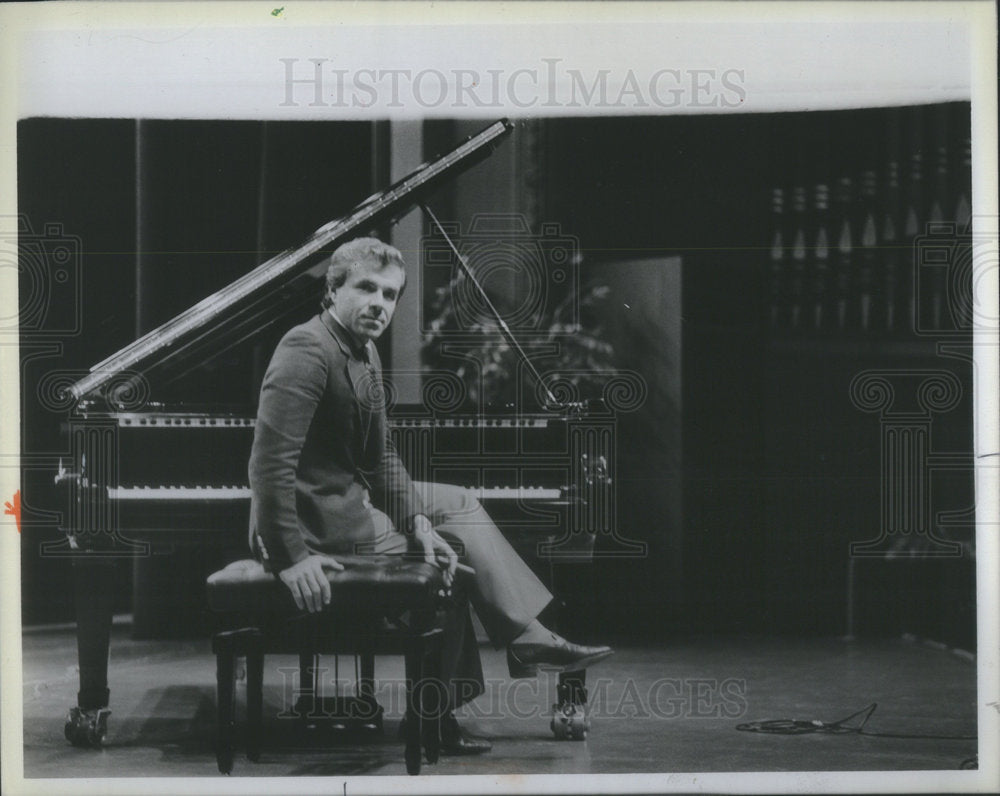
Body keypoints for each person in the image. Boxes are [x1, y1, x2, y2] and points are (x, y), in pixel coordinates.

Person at [248, 237, 612, 754]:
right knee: (455, 561)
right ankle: (442, 713)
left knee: (455, 508)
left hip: (344, 503)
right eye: (367, 288)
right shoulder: (306, 349)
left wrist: (417, 523)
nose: (380, 304)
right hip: (315, 523)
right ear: (332, 291)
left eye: (391, 295)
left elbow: (380, 456)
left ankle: (522, 638)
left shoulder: (363, 349)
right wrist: (291, 558)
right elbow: (267, 464)